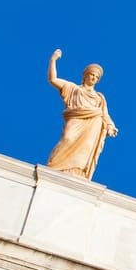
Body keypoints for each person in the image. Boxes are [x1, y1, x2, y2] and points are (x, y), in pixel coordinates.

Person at [45, 48, 118, 178]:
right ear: (86, 75)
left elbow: (104, 114)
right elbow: (53, 79)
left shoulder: (99, 97)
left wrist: (110, 126)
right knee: (68, 138)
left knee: (87, 148)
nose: (94, 78)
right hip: (76, 118)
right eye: (92, 75)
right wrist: (53, 60)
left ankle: (78, 171)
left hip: (94, 121)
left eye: (96, 77)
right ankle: (54, 167)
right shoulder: (73, 88)